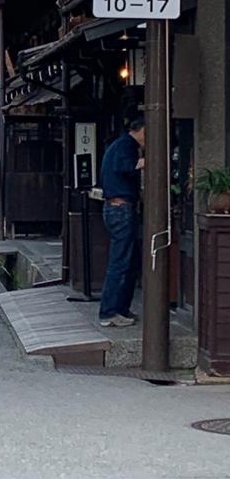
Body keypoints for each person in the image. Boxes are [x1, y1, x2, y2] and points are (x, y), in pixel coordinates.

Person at [98, 118, 145, 327]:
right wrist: (145, 162)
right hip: (121, 209)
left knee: (129, 261)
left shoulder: (118, 145)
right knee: (120, 262)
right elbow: (128, 167)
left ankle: (120, 309)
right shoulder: (127, 146)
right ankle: (109, 312)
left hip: (115, 208)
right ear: (143, 130)